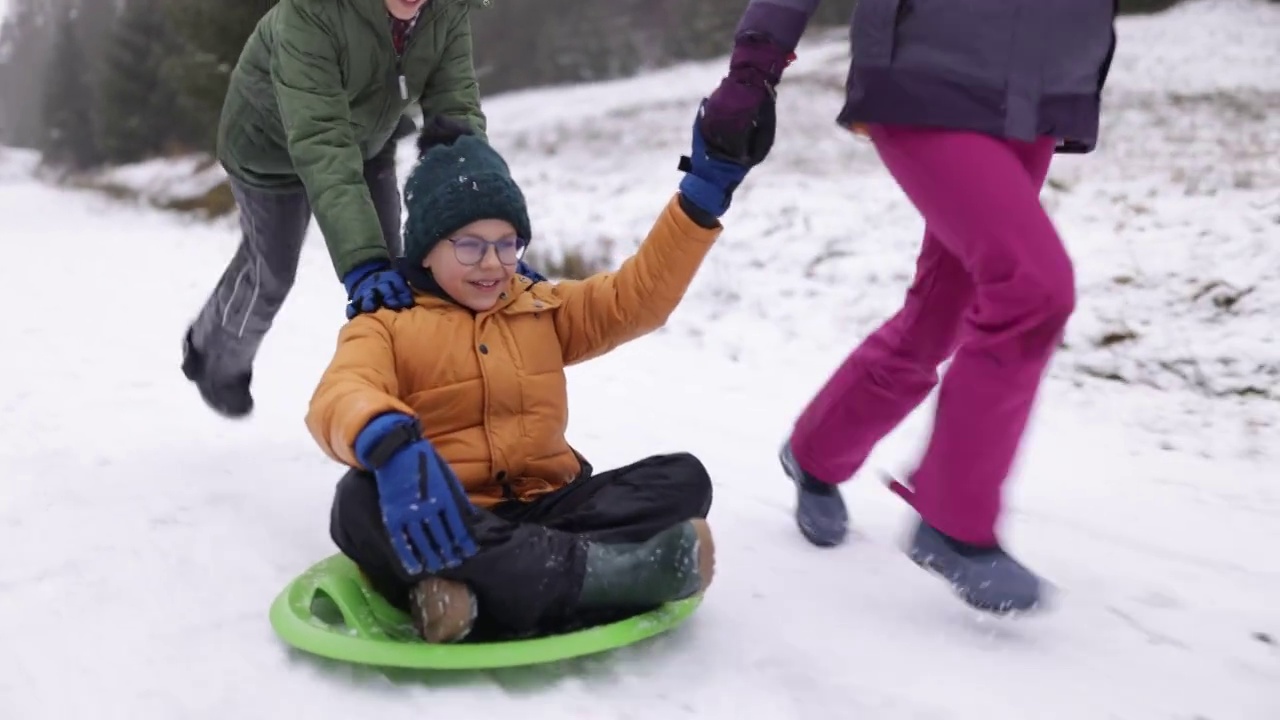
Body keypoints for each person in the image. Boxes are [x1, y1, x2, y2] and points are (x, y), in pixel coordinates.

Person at [698, 0, 1119, 613]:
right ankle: (954, 521)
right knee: (1033, 288)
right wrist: (753, 69)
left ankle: (816, 454)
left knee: (943, 309)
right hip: (925, 77)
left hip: (1037, 96)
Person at [303, 106, 755, 643]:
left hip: (548, 508)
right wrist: (392, 445)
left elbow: (636, 300)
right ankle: (606, 577)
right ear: (426, 249)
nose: (493, 263)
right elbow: (339, 393)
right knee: (356, 503)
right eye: (470, 245)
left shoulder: (540, 307)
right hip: (449, 513)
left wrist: (699, 200)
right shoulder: (388, 321)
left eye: (507, 244)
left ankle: (471, 590)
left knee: (683, 477)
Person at [181, 0, 544, 419]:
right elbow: (323, 144)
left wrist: (486, 226)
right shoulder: (310, 13)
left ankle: (404, 406)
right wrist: (361, 263)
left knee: (392, 276)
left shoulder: (446, 9)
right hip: (269, 153)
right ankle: (213, 355)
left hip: (367, 140)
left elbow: (456, 114)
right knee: (273, 272)